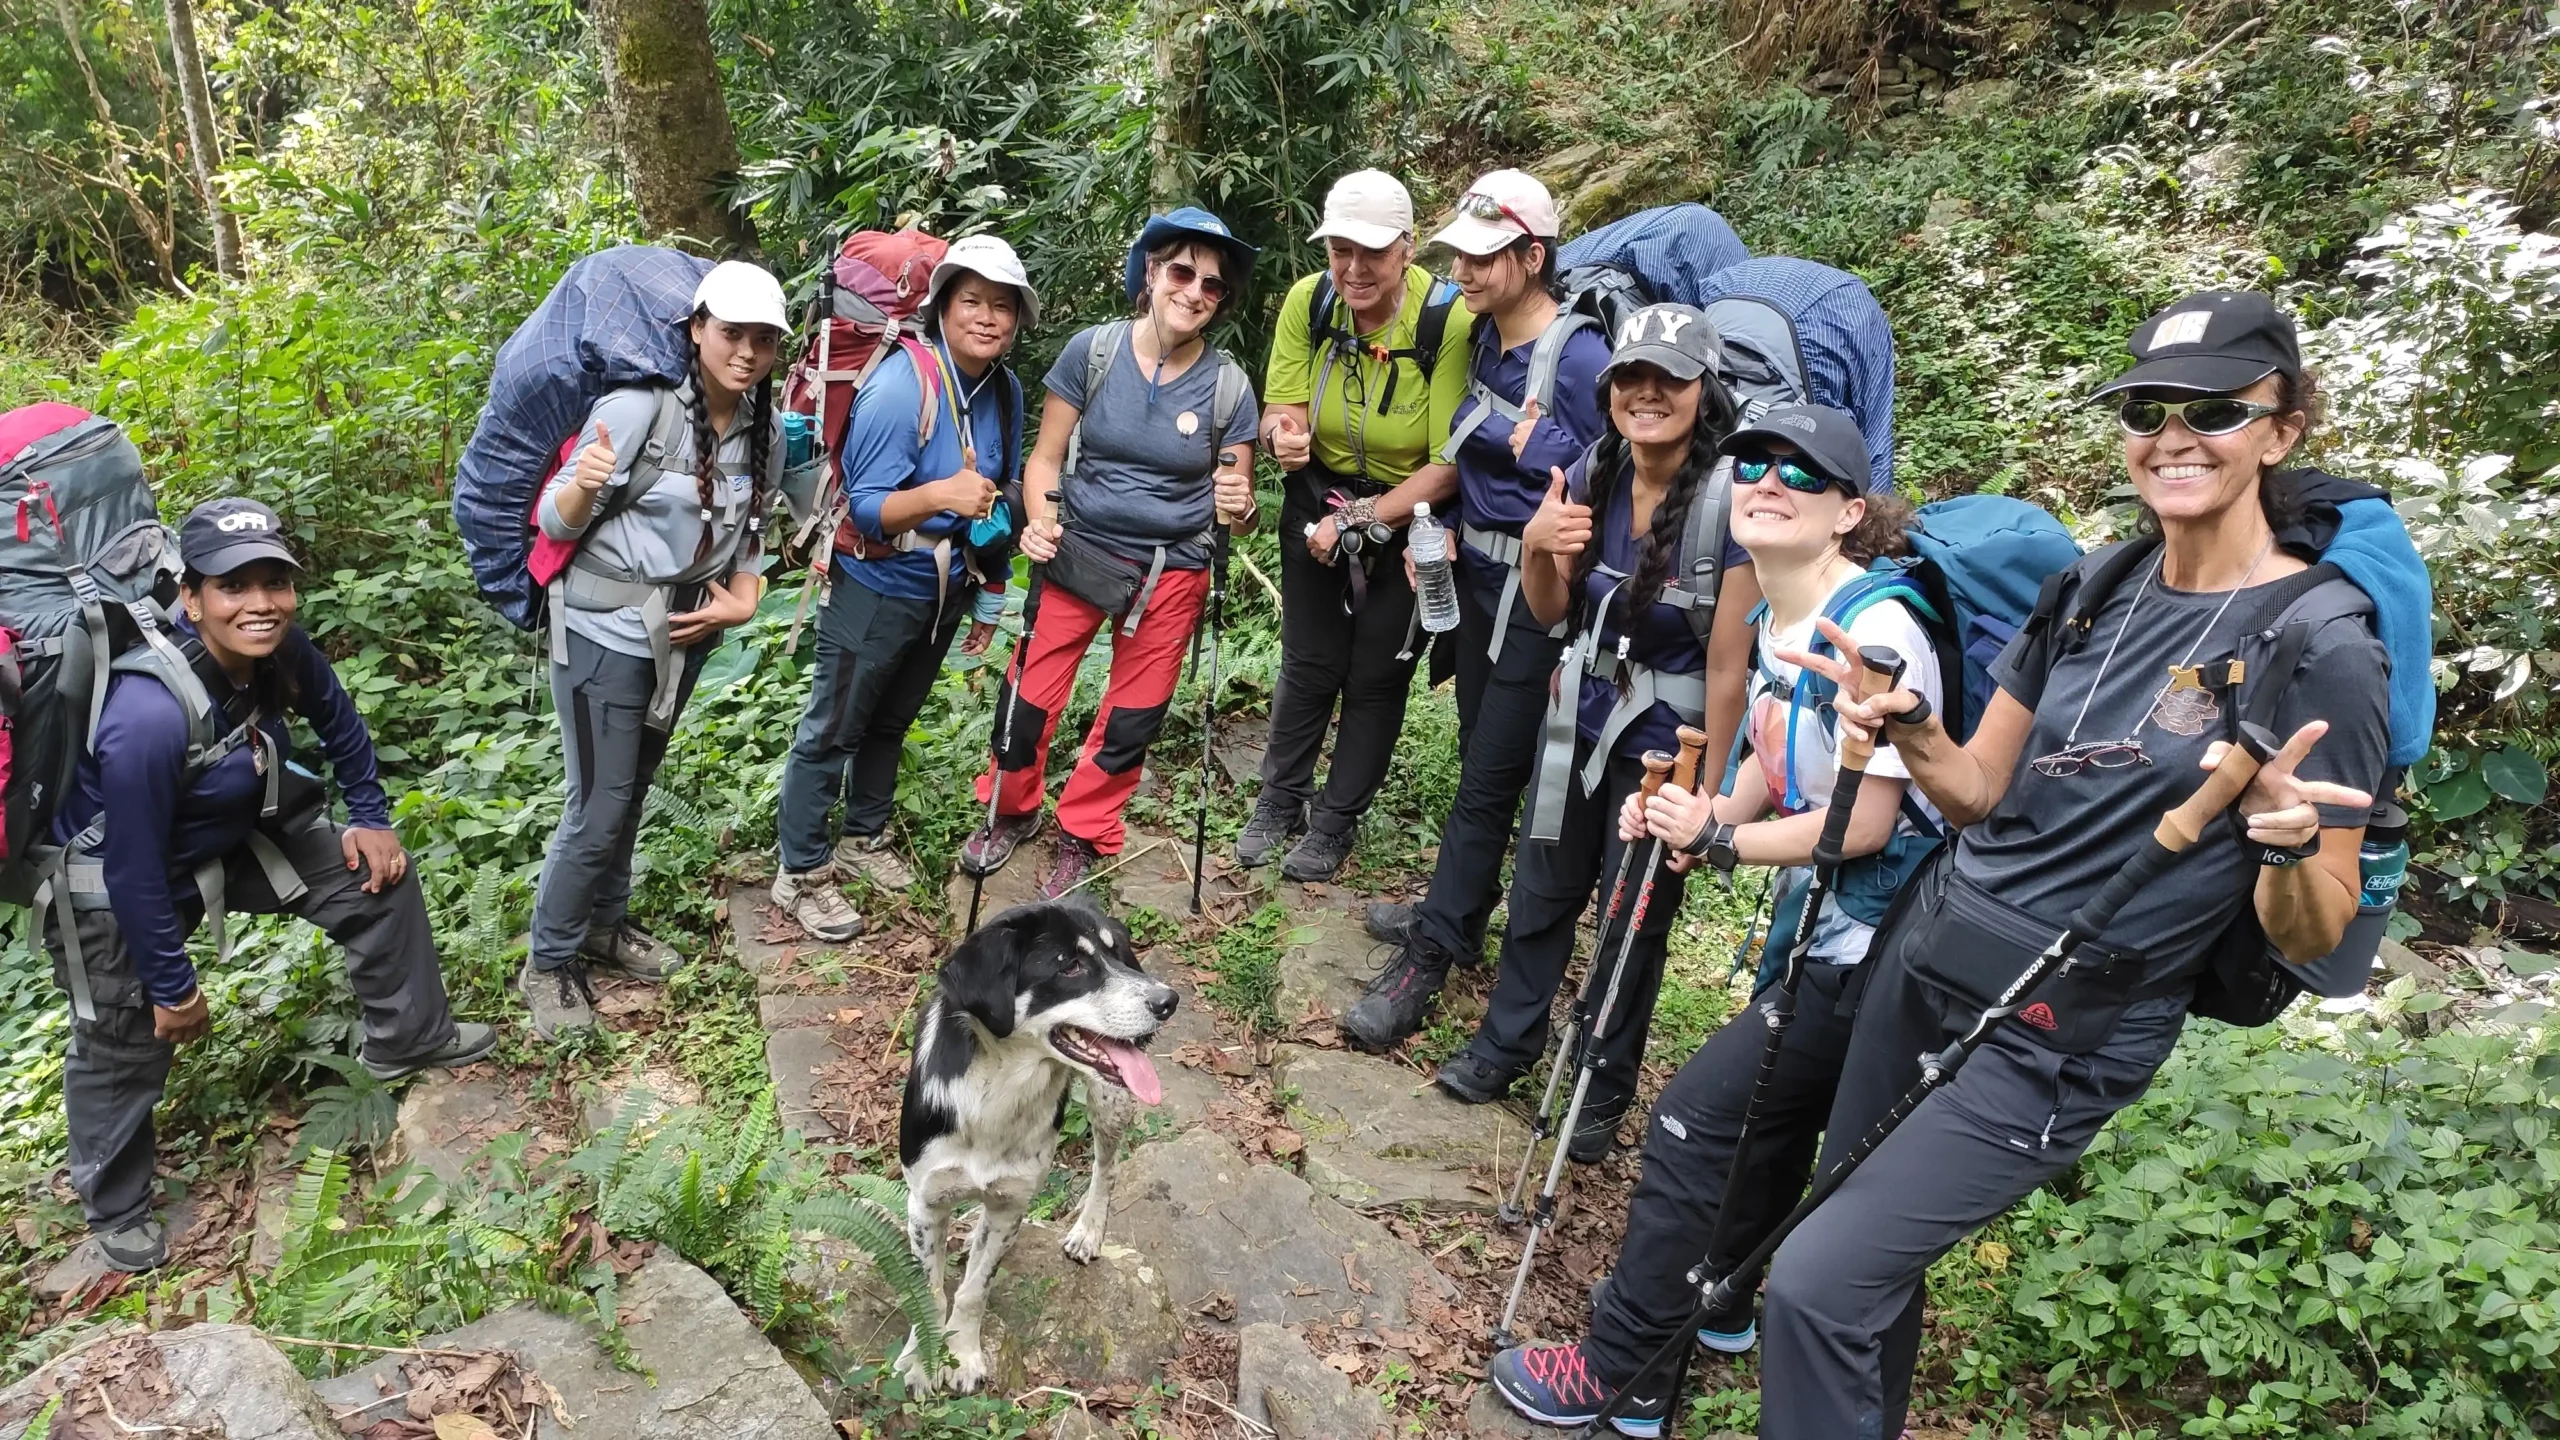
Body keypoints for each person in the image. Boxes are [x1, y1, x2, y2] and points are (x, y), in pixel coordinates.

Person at [1488, 291, 2391, 1439]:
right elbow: (1972, 793)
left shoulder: (2321, 642)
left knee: (1818, 1279)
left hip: (2063, 1023)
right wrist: (1910, 726)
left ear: (2283, 427)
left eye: (2212, 409)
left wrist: (2286, 843)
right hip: (1929, 959)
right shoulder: (2093, 589)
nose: (2172, 436)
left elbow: (2317, 933)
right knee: (1859, 1277)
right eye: (2147, 408)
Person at [1473, 403, 1946, 1423]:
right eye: (1753, 463)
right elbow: (1774, 782)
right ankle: (1721, 1302)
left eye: (1800, 474)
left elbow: (1863, 823)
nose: (1766, 482)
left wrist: (1724, 840)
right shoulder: (1775, 615)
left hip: (1885, 947)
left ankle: (1626, 1377)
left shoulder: (1875, 627)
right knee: (1769, 1122)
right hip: (1833, 932)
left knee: (1693, 1121)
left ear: (1847, 511)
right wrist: (1703, 812)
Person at [43, 498, 495, 1273]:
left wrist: (373, 815)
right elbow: (133, 870)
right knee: (123, 1036)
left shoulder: (279, 647)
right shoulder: (147, 715)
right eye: (233, 587)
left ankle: (410, 1037)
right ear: (191, 597)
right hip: (116, 886)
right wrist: (173, 987)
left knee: (374, 878)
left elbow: (340, 721)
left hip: (231, 831)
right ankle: (114, 1208)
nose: (261, 604)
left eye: (274, 583)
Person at [1405, 305, 1741, 1157]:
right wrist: (1542, 549)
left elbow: (1730, 669)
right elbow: (1553, 613)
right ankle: (1506, 1043)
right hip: (1579, 714)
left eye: (1670, 377)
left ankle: (1600, 1080)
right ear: (1611, 391)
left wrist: (1714, 800)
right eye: (1632, 377)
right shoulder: (1595, 469)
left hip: (1669, 746)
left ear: (1704, 389)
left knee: (1632, 915)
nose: (1648, 393)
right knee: (1542, 887)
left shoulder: (1728, 506)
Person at [1340, 169, 1610, 1050]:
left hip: (1539, 600)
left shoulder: (1579, 359)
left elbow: (1615, 482)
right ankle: (1461, 904)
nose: (1465, 265)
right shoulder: (1487, 338)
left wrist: (1557, 459)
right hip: (1476, 583)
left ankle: (1432, 951)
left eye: (1487, 255)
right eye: (1460, 250)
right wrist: (1446, 529)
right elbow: (1478, 465)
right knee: (1476, 761)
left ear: (1534, 256)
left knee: (1493, 777)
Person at [526, 260, 810, 1037]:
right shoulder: (636, 410)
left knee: (634, 787)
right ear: (696, 330)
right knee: (599, 801)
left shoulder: (762, 430)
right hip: (601, 631)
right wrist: (581, 484)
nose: (746, 353)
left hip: (682, 639)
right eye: (730, 333)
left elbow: (750, 535)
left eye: (762, 340)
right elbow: (556, 524)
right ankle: (547, 963)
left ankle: (604, 927)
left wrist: (745, 598)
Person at [960, 209, 1260, 898]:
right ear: (1151, 273)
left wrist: (1239, 510)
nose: (1194, 292)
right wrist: (1039, 522)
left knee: (1131, 717)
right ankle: (1010, 810)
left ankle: (1085, 831)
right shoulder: (1092, 353)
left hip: (1173, 571)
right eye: (1182, 272)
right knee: (1027, 699)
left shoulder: (1229, 388)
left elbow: (1234, 509)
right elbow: (1044, 461)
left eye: (1212, 286)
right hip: (1079, 551)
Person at [772, 236, 1036, 936]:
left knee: (892, 718)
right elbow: (867, 508)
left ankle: (864, 836)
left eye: (1002, 307)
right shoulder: (901, 384)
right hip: (875, 580)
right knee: (833, 728)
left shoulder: (1003, 390)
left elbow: (997, 496)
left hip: (944, 586)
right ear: (943, 306)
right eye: (972, 302)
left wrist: (993, 586)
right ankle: (798, 872)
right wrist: (938, 493)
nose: (987, 318)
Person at [1236, 169, 1473, 882]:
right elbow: (1283, 408)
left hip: (1411, 519)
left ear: (1408, 248)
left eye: (1372, 251)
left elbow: (1446, 465)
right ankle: (1279, 801)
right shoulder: (1310, 303)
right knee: (1308, 664)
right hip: (1319, 496)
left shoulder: (1446, 322)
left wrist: (1361, 521)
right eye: (1340, 248)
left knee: (1374, 677)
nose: (1354, 267)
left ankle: (1336, 821)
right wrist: (1284, 435)